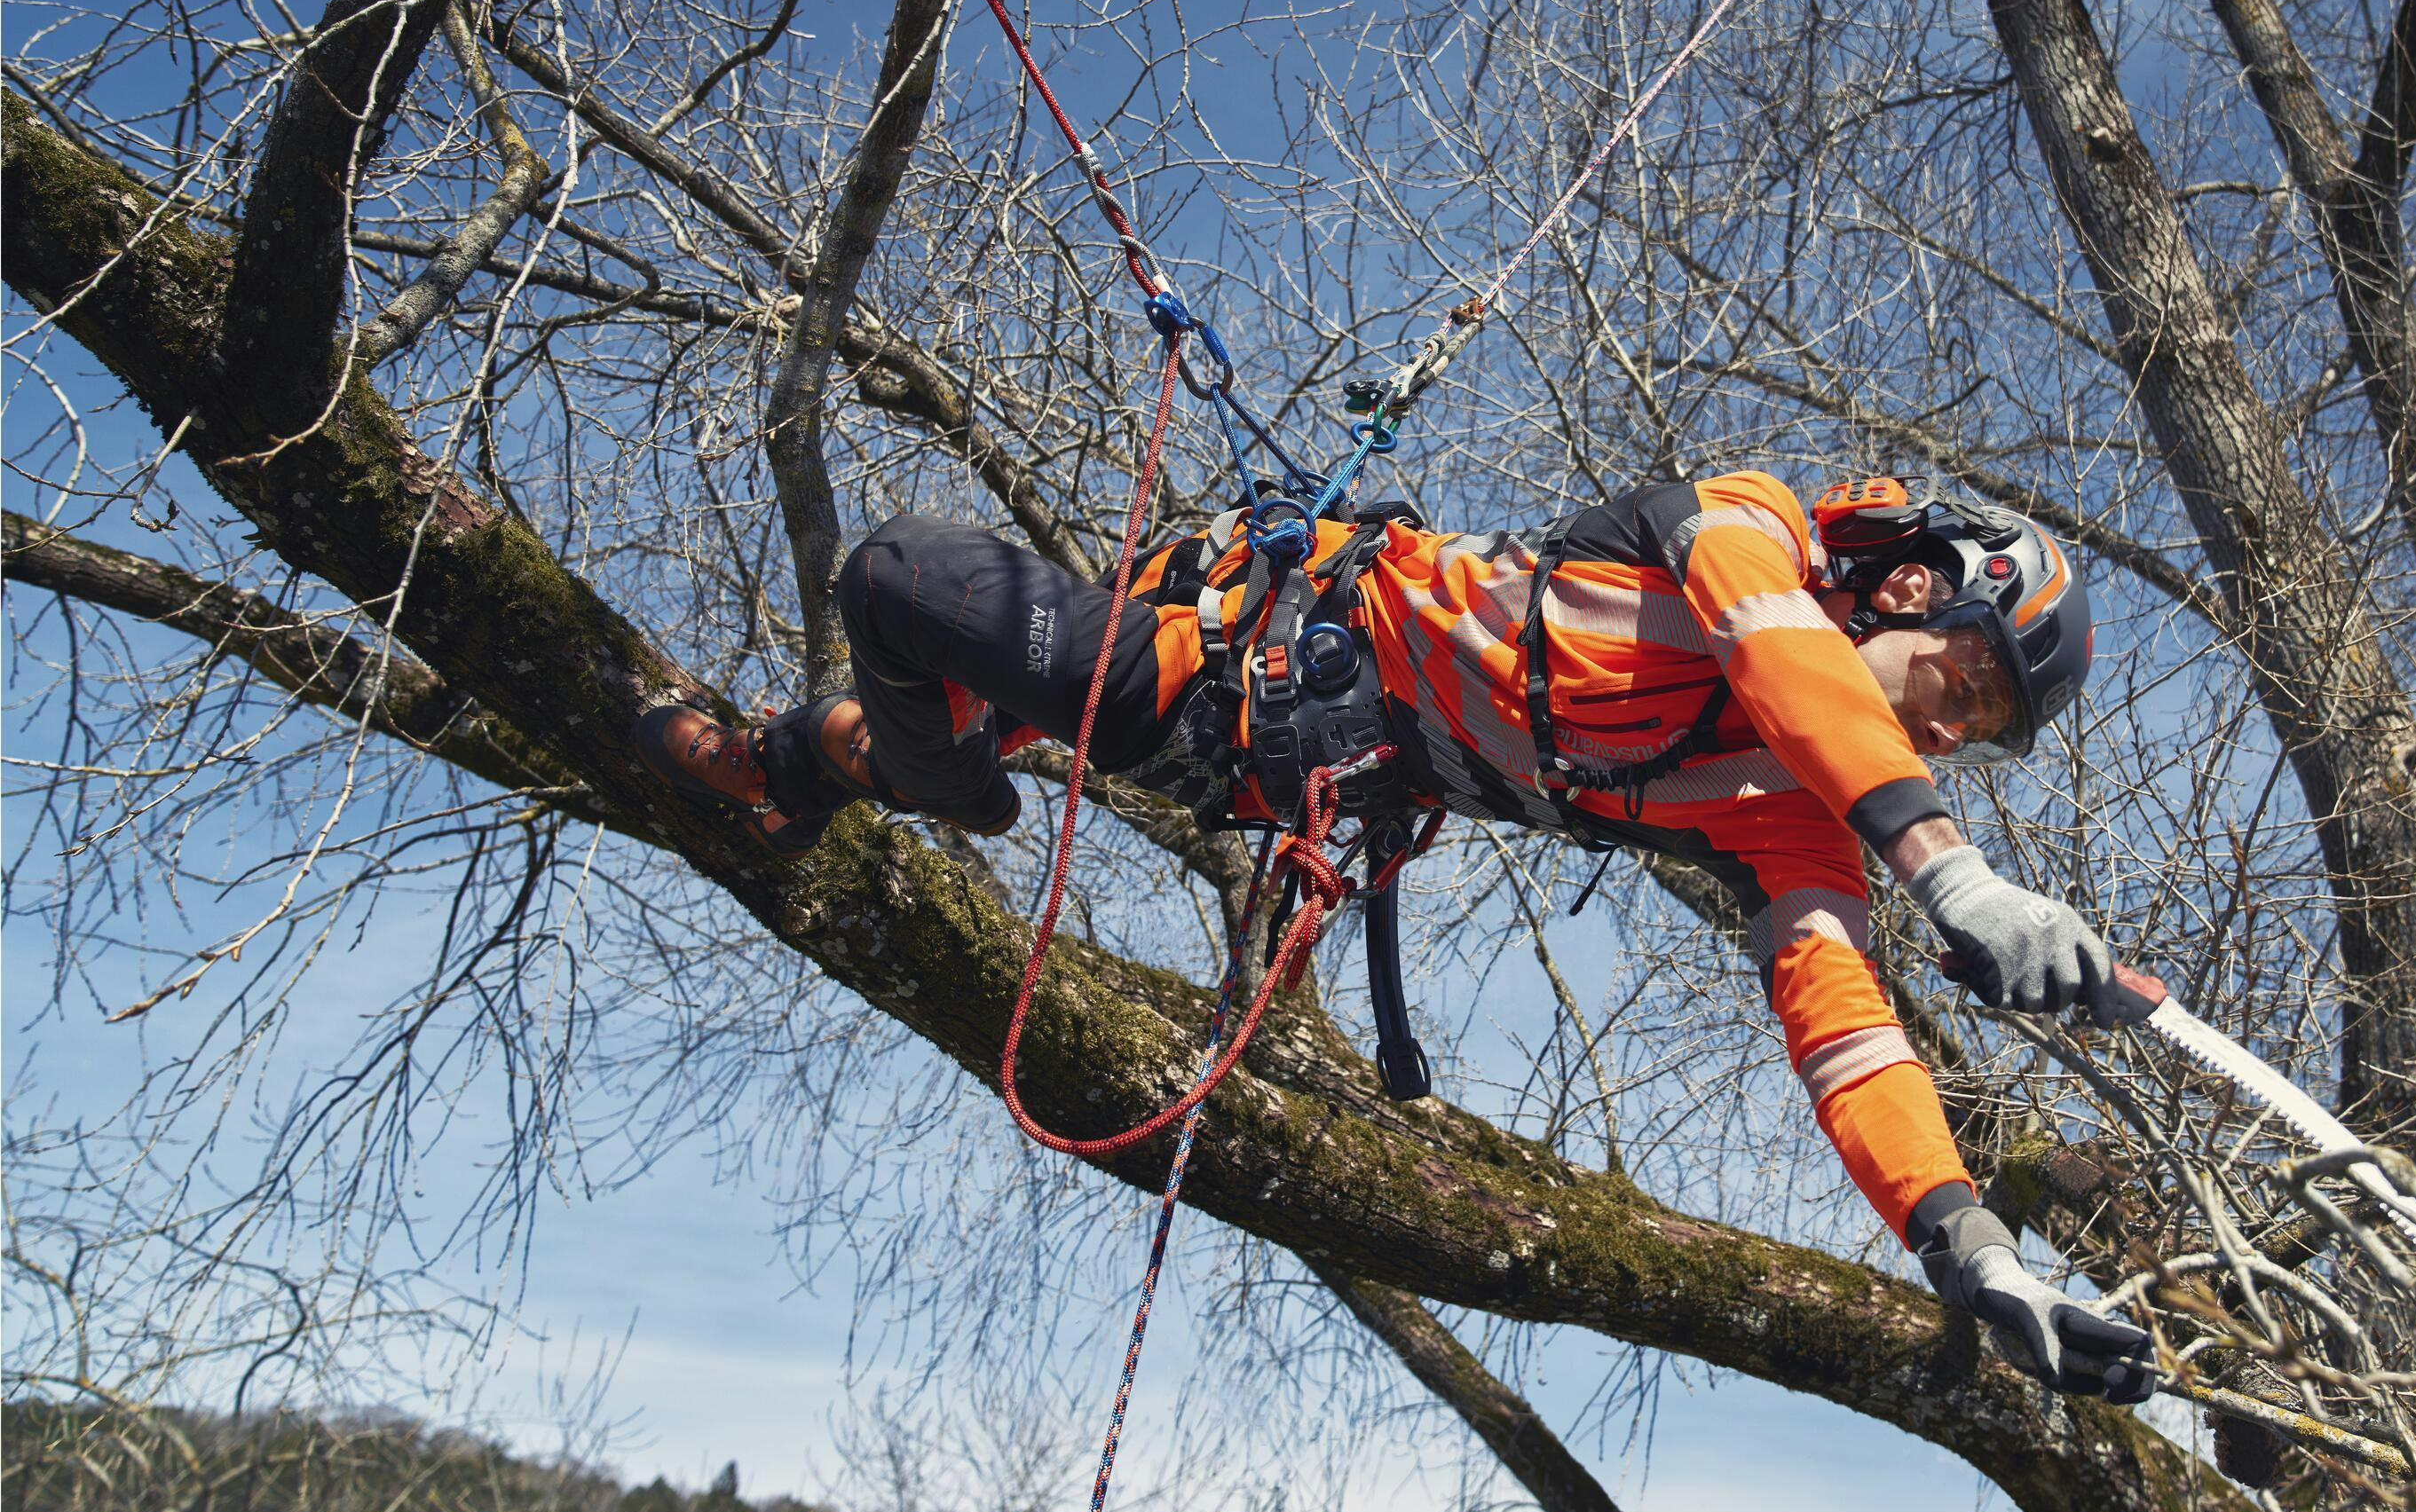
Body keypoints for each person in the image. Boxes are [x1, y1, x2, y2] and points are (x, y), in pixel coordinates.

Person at [638, 473, 2161, 1403]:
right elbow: (1776, 648)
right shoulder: (1748, 531)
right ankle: (837, 768)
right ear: (1915, 584)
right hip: (1231, 665)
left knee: (910, 596)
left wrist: (1963, 1241)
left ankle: (886, 761)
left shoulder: (1792, 814)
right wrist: (1949, 868)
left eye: (1980, 732)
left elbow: (1845, 1025)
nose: (1953, 729)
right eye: (1966, 685)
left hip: (1257, 753)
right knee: (904, 576)